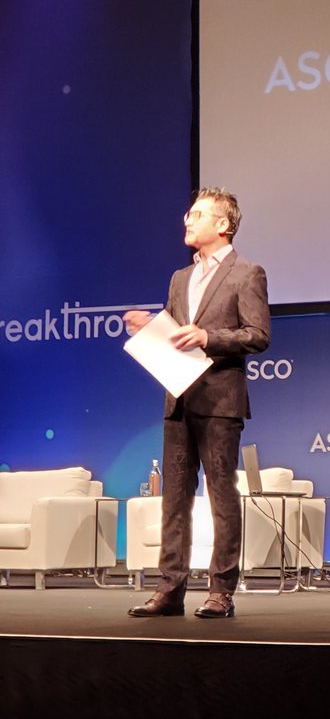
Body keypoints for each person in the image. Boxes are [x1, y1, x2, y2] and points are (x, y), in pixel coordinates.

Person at [124, 189, 270, 618]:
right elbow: (175, 333)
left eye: (198, 214)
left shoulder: (247, 273)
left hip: (220, 400)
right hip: (179, 398)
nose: (187, 220)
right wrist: (151, 326)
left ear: (223, 225)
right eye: (188, 214)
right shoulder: (180, 278)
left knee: (221, 496)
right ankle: (170, 590)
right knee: (175, 499)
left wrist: (209, 337)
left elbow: (258, 334)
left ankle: (221, 591)